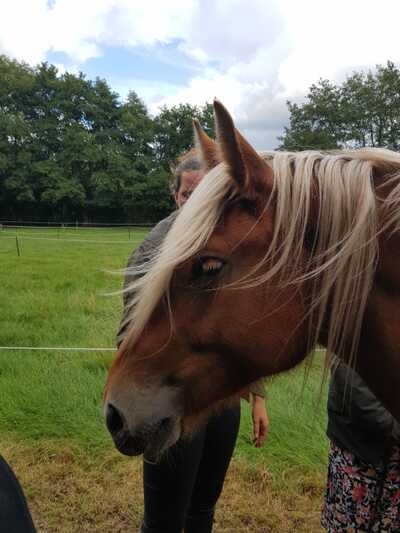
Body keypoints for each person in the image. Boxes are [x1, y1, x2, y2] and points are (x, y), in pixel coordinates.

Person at [117, 149, 269, 533]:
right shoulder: (154, 248)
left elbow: (244, 326)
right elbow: (129, 333)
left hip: (222, 400)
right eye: (188, 195)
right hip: (172, 399)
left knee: (203, 507)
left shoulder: (224, 249)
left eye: (204, 196)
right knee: (165, 518)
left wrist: (258, 397)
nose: (193, 205)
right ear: (176, 196)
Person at [321, 360, 400, 533]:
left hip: (393, 462)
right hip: (358, 452)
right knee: (349, 525)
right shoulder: (356, 340)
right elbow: (354, 388)